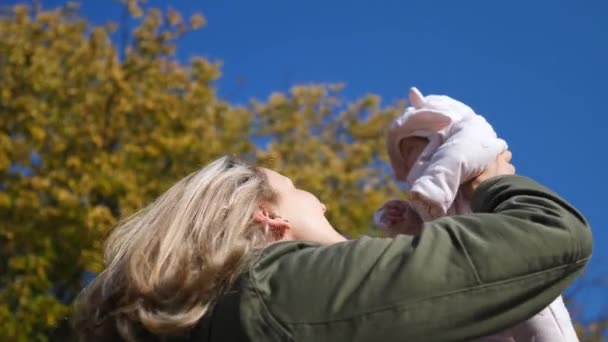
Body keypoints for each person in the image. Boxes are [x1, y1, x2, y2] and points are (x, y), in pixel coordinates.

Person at [73, 152, 592, 341]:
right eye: (298, 188)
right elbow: (553, 235)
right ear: (268, 216)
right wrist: (488, 176)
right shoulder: (277, 292)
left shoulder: (224, 316)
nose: (319, 200)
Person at [375, 88, 579, 341]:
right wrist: (406, 223)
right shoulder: (427, 189)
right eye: (406, 158)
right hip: (468, 269)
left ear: (433, 129)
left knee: (539, 315)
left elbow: (464, 152)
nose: (411, 162)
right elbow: (431, 236)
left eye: (412, 149)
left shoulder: (468, 137)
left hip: (505, 245)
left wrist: (434, 186)